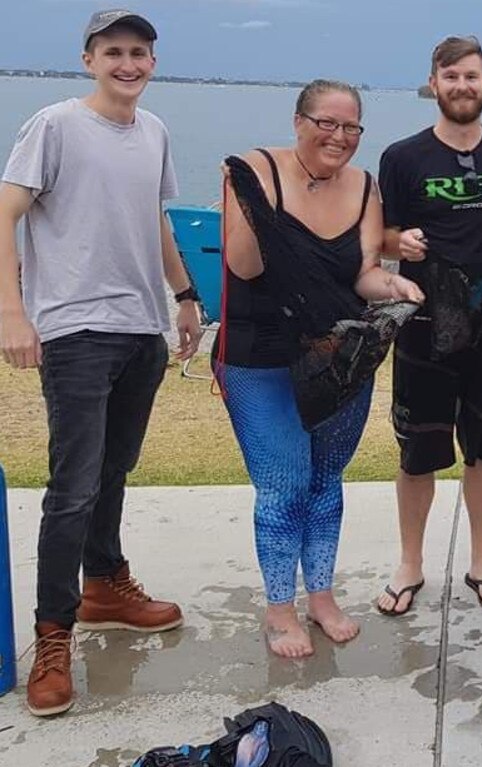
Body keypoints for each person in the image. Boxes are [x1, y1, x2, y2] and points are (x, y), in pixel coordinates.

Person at [0, 9, 201, 716]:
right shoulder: (55, 125)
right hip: (76, 329)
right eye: (114, 51)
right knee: (72, 484)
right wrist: (12, 312)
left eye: (140, 52)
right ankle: (53, 636)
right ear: (89, 60)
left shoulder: (154, 132)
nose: (128, 63)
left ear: (152, 62)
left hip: (141, 327)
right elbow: (6, 211)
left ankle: (104, 582)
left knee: (114, 469)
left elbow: (154, 217)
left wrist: (184, 295)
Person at [217, 79, 424, 658]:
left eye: (351, 127)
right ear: (298, 121)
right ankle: (279, 608)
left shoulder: (363, 186)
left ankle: (323, 596)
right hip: (259, 357)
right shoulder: (253, 170)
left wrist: (395, 284)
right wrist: (256, 206)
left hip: (338, 359)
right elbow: (245, 266)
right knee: (284, 485)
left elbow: (362, 273)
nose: (338, 137)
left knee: (327, 483)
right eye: (326, 123)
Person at [376, 36, 482, 616]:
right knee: (417, 451)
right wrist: (400, 241)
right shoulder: (401, 157)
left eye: (471, 76)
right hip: (423, 318)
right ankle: (411, 562)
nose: (461, 86)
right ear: (433, 84)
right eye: (450, 77)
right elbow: (379, 237)